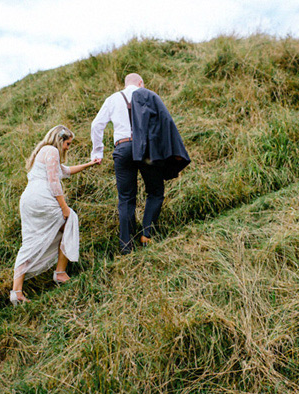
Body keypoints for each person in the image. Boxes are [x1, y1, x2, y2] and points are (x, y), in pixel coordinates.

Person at [90, 73, 190, 254]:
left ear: (125, 84)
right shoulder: (148, 96)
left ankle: (127, 246)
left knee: (126, 199)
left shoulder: (113, 99)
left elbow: (96, 125)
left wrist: (97, 152)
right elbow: (163, 122)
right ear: (141, 83)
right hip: (145, 150)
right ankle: (147, 234)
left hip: (122, 149)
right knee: (155, 191)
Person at [10, 125, 99, 305]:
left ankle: (16, 292)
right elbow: (54, 182)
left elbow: (65, 171)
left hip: (28, 200)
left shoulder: (43, 152)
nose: (68, 147)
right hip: (41, 197)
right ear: (60, 140)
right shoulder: (51, 150)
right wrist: (64, 207)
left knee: (31, 241)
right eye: (68, 143)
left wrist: (90, 164)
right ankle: (60, 272)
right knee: (70, 218)